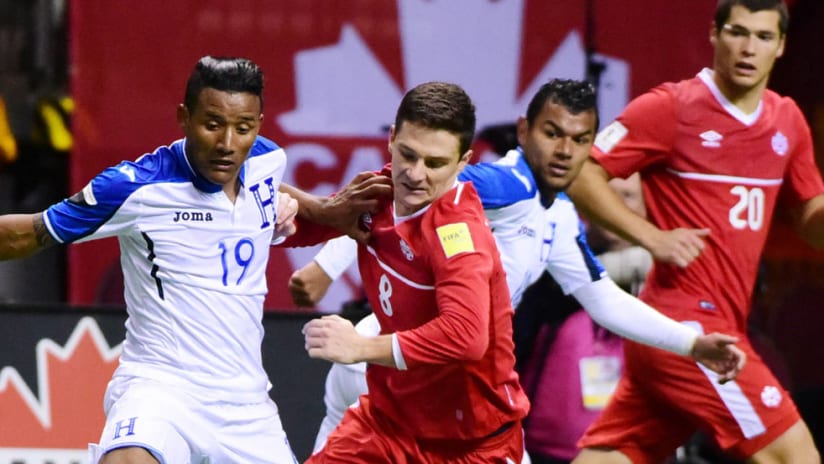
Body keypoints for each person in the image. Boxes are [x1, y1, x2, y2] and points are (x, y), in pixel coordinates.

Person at [287, 79, 747, 459]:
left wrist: (693, 343)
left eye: (580, 139)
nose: (564, 150)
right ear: (524, 131)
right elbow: (405, 192)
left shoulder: (561, 218)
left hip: (447, 390)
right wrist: (326, 264)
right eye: (552, 133)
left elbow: (603, 299)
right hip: (388, 365)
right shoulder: (504, 182)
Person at [0, 56, 377, 464]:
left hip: (246, 406)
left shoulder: (266, 161)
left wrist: (319, 210)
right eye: (212, 124)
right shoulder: (136, 188)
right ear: (184, 117)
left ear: (259, 125)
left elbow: (267, 188)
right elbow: (29, 234)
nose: (227, 143)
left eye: (244, 128)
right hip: (162, 388)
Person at [566, 1, 824, 462]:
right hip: (686, 324)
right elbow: (584, 175)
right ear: (714, 33)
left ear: (781, 46)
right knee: (795, 457)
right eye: (737, 32)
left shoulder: (787, 121)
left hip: (696, 328)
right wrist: (650, 236)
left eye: (763, 37)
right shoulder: (671, 107)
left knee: (610, 457)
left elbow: (810, 215)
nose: (748, 48)